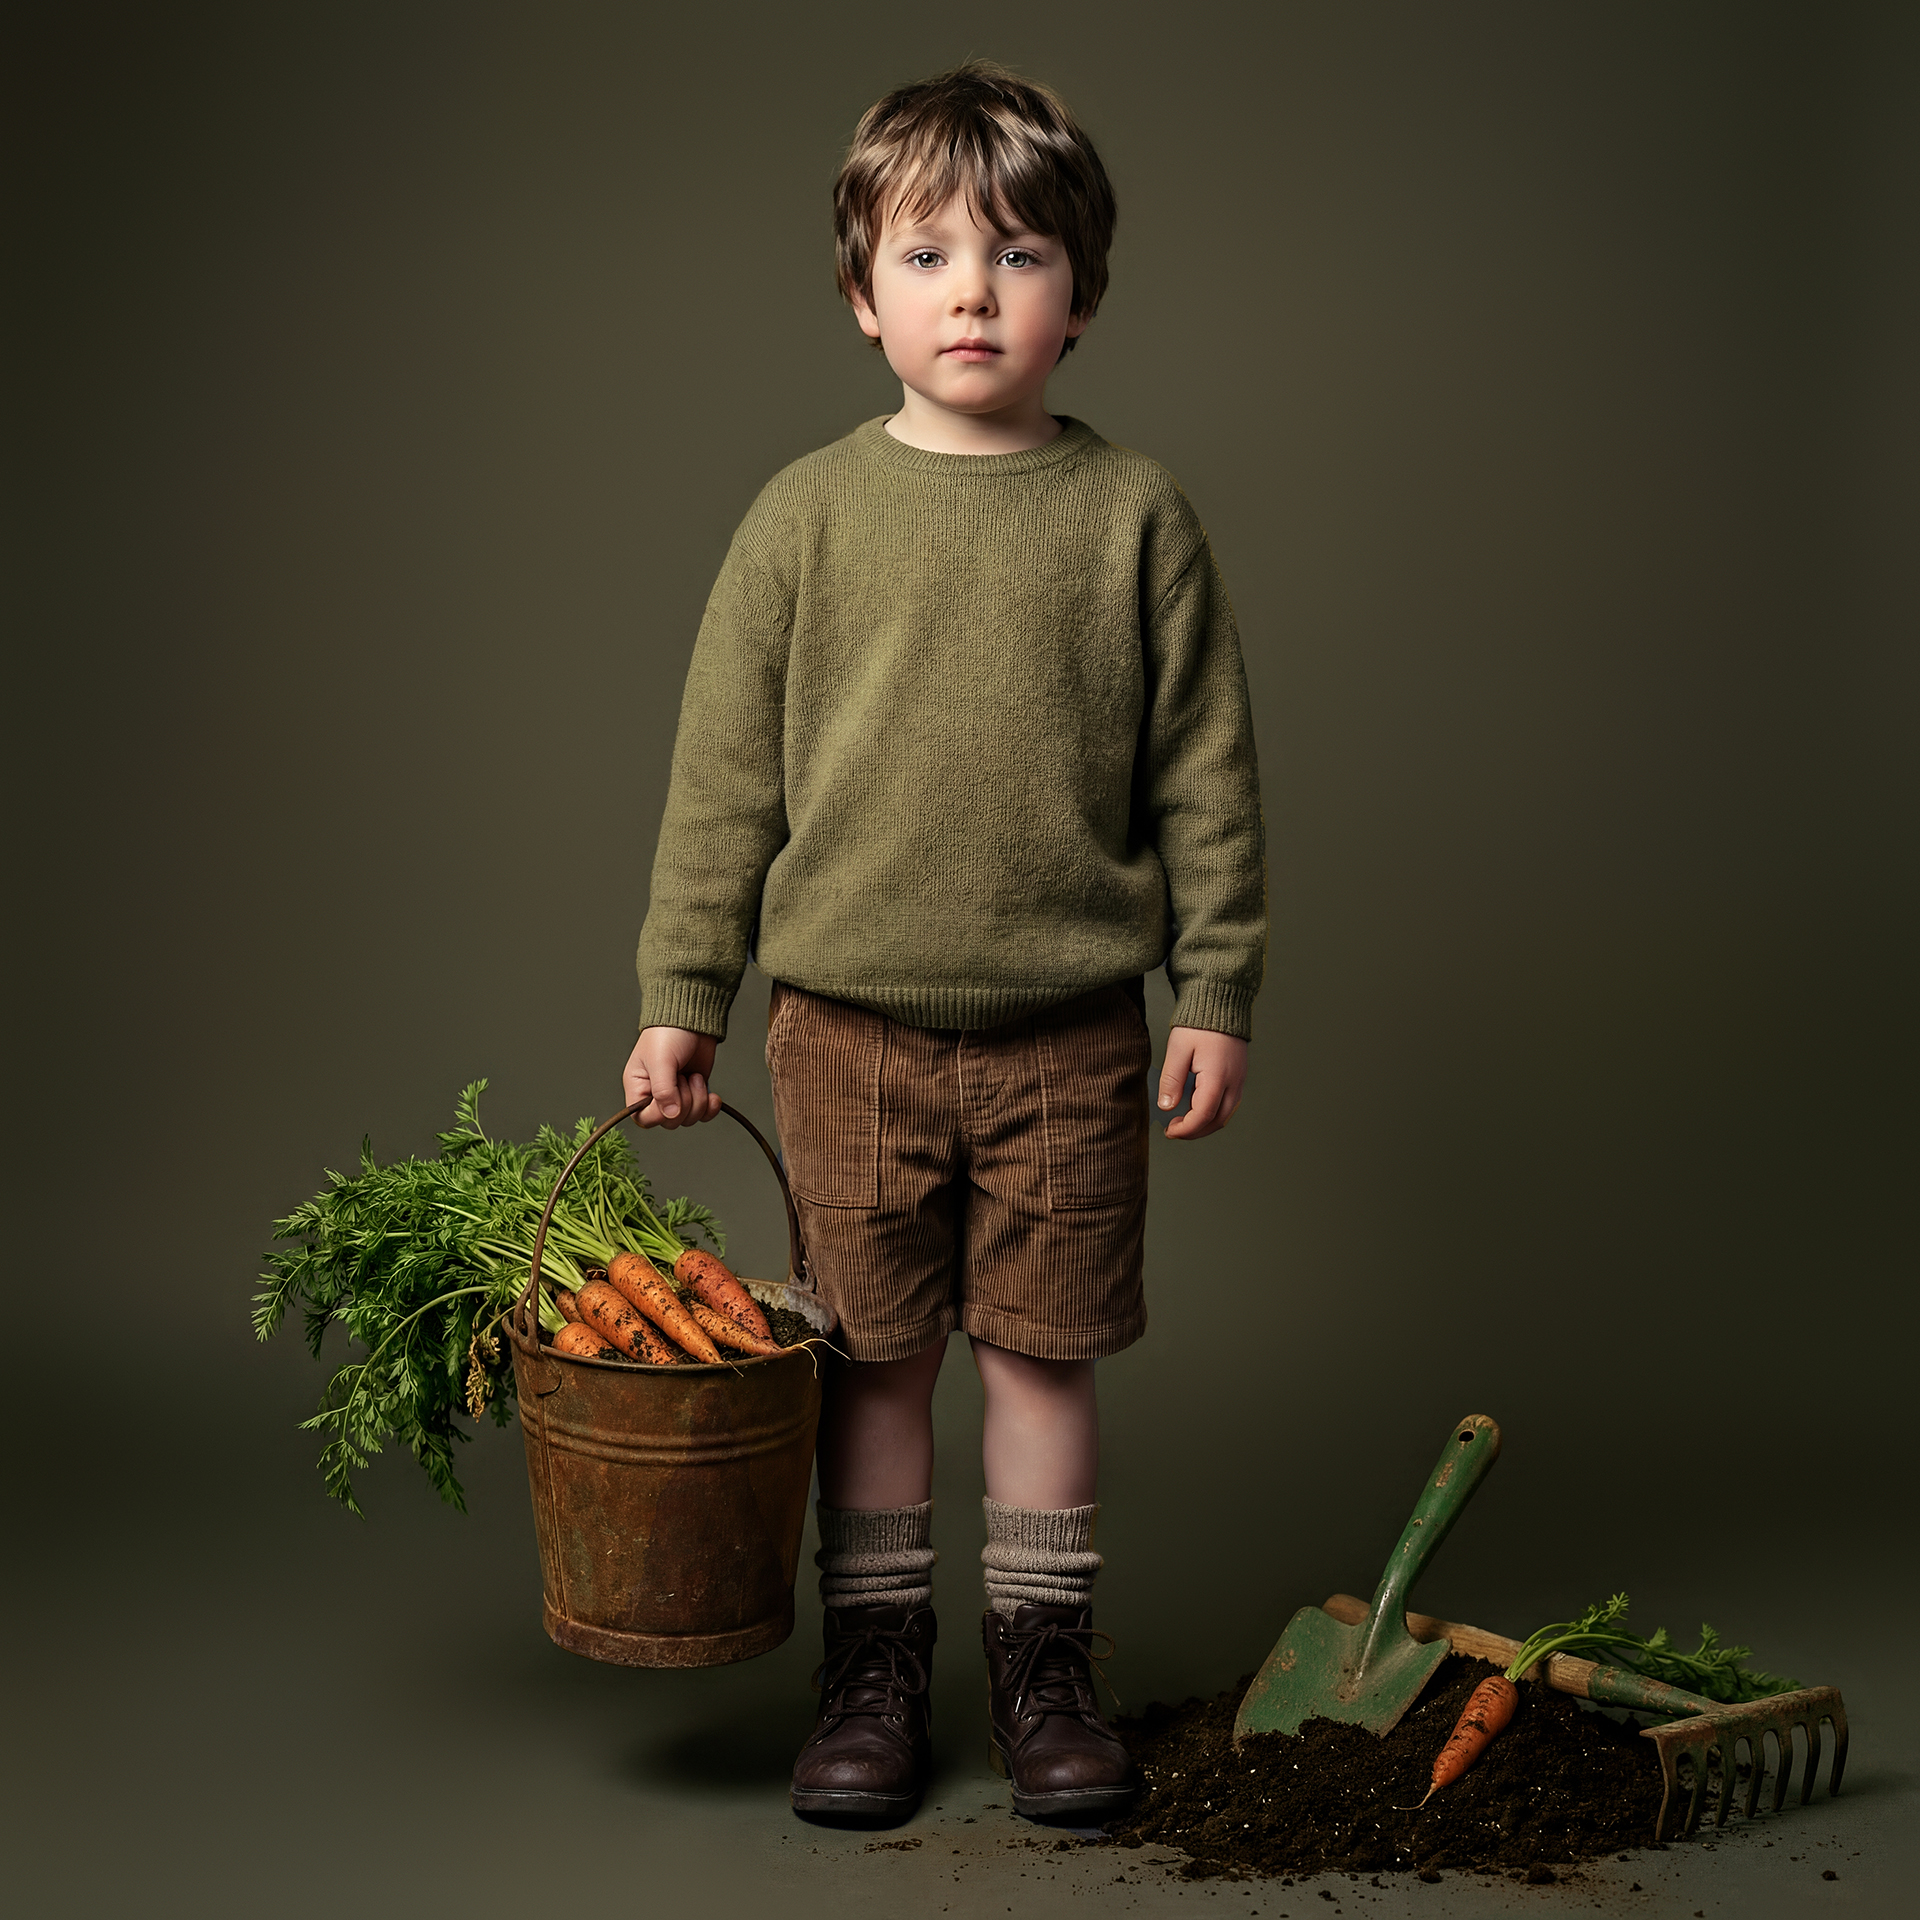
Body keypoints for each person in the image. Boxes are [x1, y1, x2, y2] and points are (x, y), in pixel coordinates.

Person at [624, 59, 1265, 1825]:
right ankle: (877, 1672)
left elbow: (1206, 771)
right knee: (874, 1355)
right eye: (926, 255)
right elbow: (720, 784)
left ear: (1083, 294)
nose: (972, 288)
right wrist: (685, 996)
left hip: (1072, 1028)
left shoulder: (1135, 519)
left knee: (1044, 1354)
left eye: (1020, 252)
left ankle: (1050, 1668)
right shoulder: (804, 521)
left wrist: (1213, 985)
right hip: (845, 1030)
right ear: (861, 297)